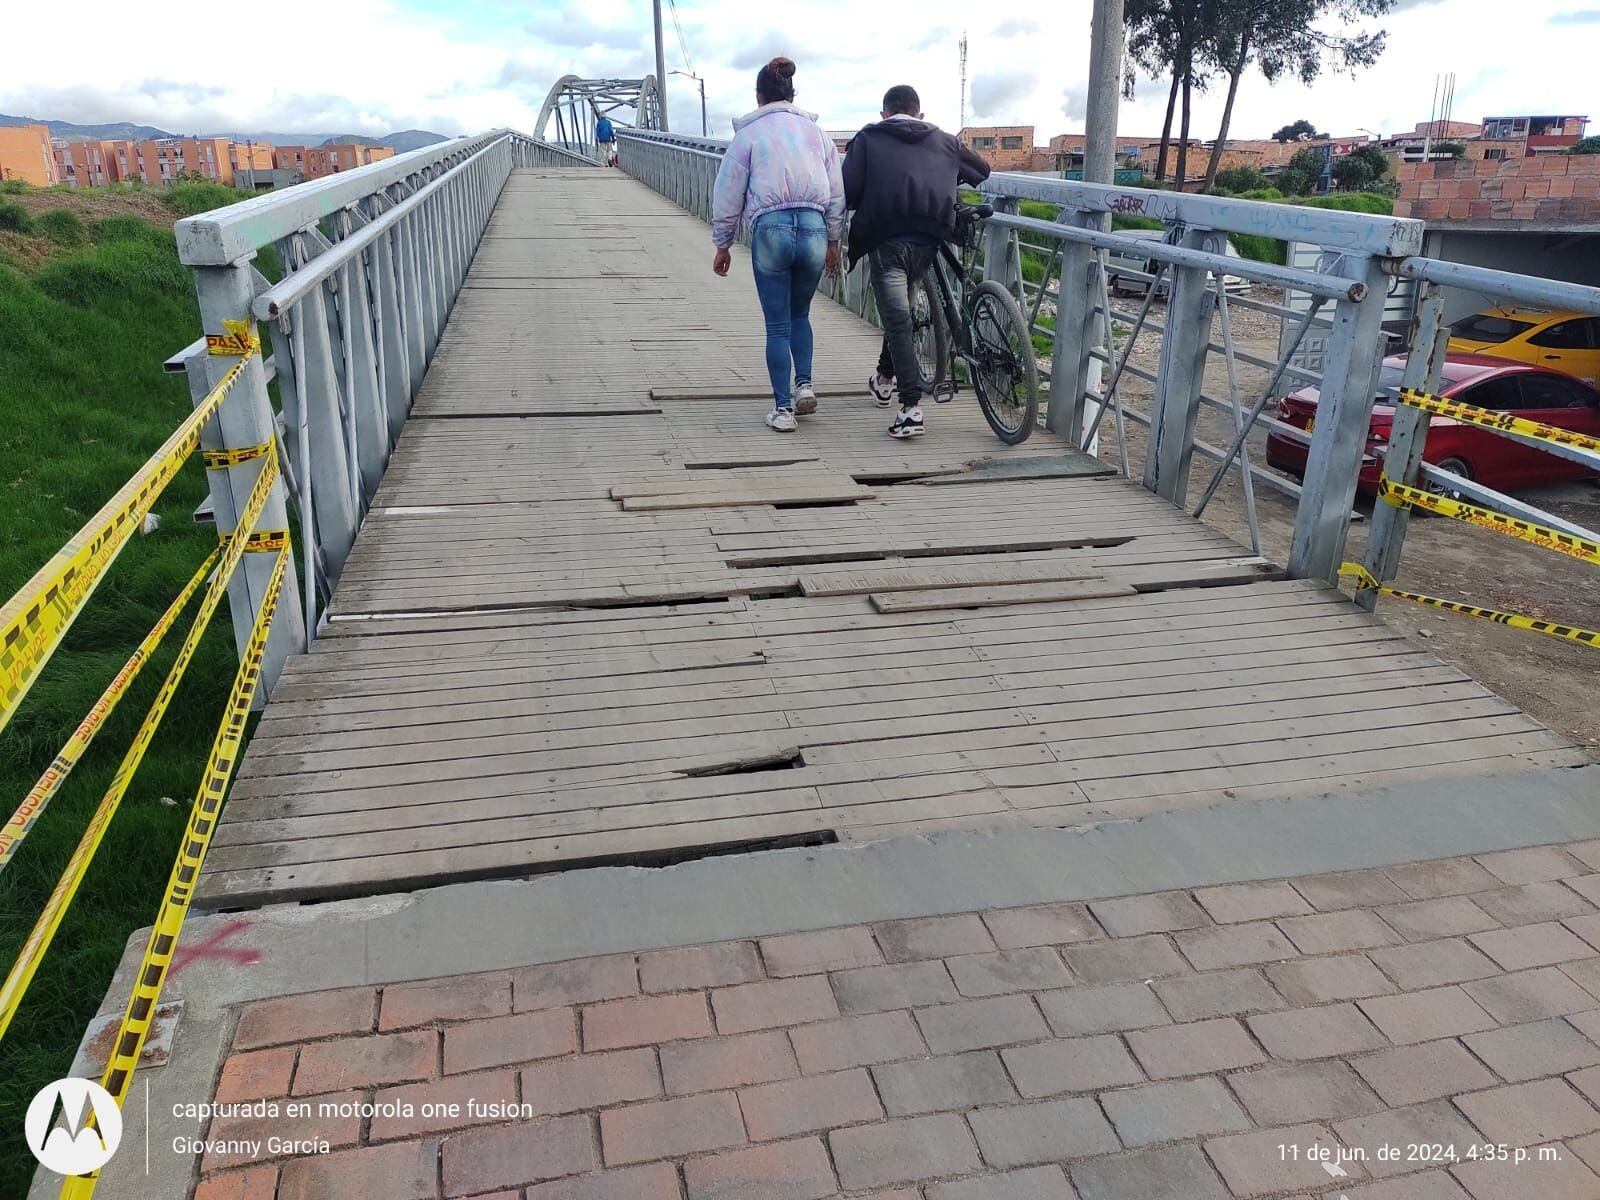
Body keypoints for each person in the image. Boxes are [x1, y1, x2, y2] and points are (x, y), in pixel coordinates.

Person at [843, 84, 990, 439]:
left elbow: (846, 193)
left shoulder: (867, 139)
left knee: (898, 321)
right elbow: (981, 170)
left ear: (884, 114)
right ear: (919, 114)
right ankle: (883, 380)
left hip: (887, 240)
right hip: (930, 237)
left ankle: (909, 409)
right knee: (902, 314)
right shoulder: (943, 139)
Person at [709, 56, 845, 432]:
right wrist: (834, 240)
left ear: (758, 96)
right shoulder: (817, 135)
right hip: (815, 227)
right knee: (800, 313)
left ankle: (783, 411)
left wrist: (723, 244)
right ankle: (805, 386)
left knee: (777, 326)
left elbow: (727, 194)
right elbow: (836, 192)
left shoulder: (748, 135)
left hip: (771, 230)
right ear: (792, 93)